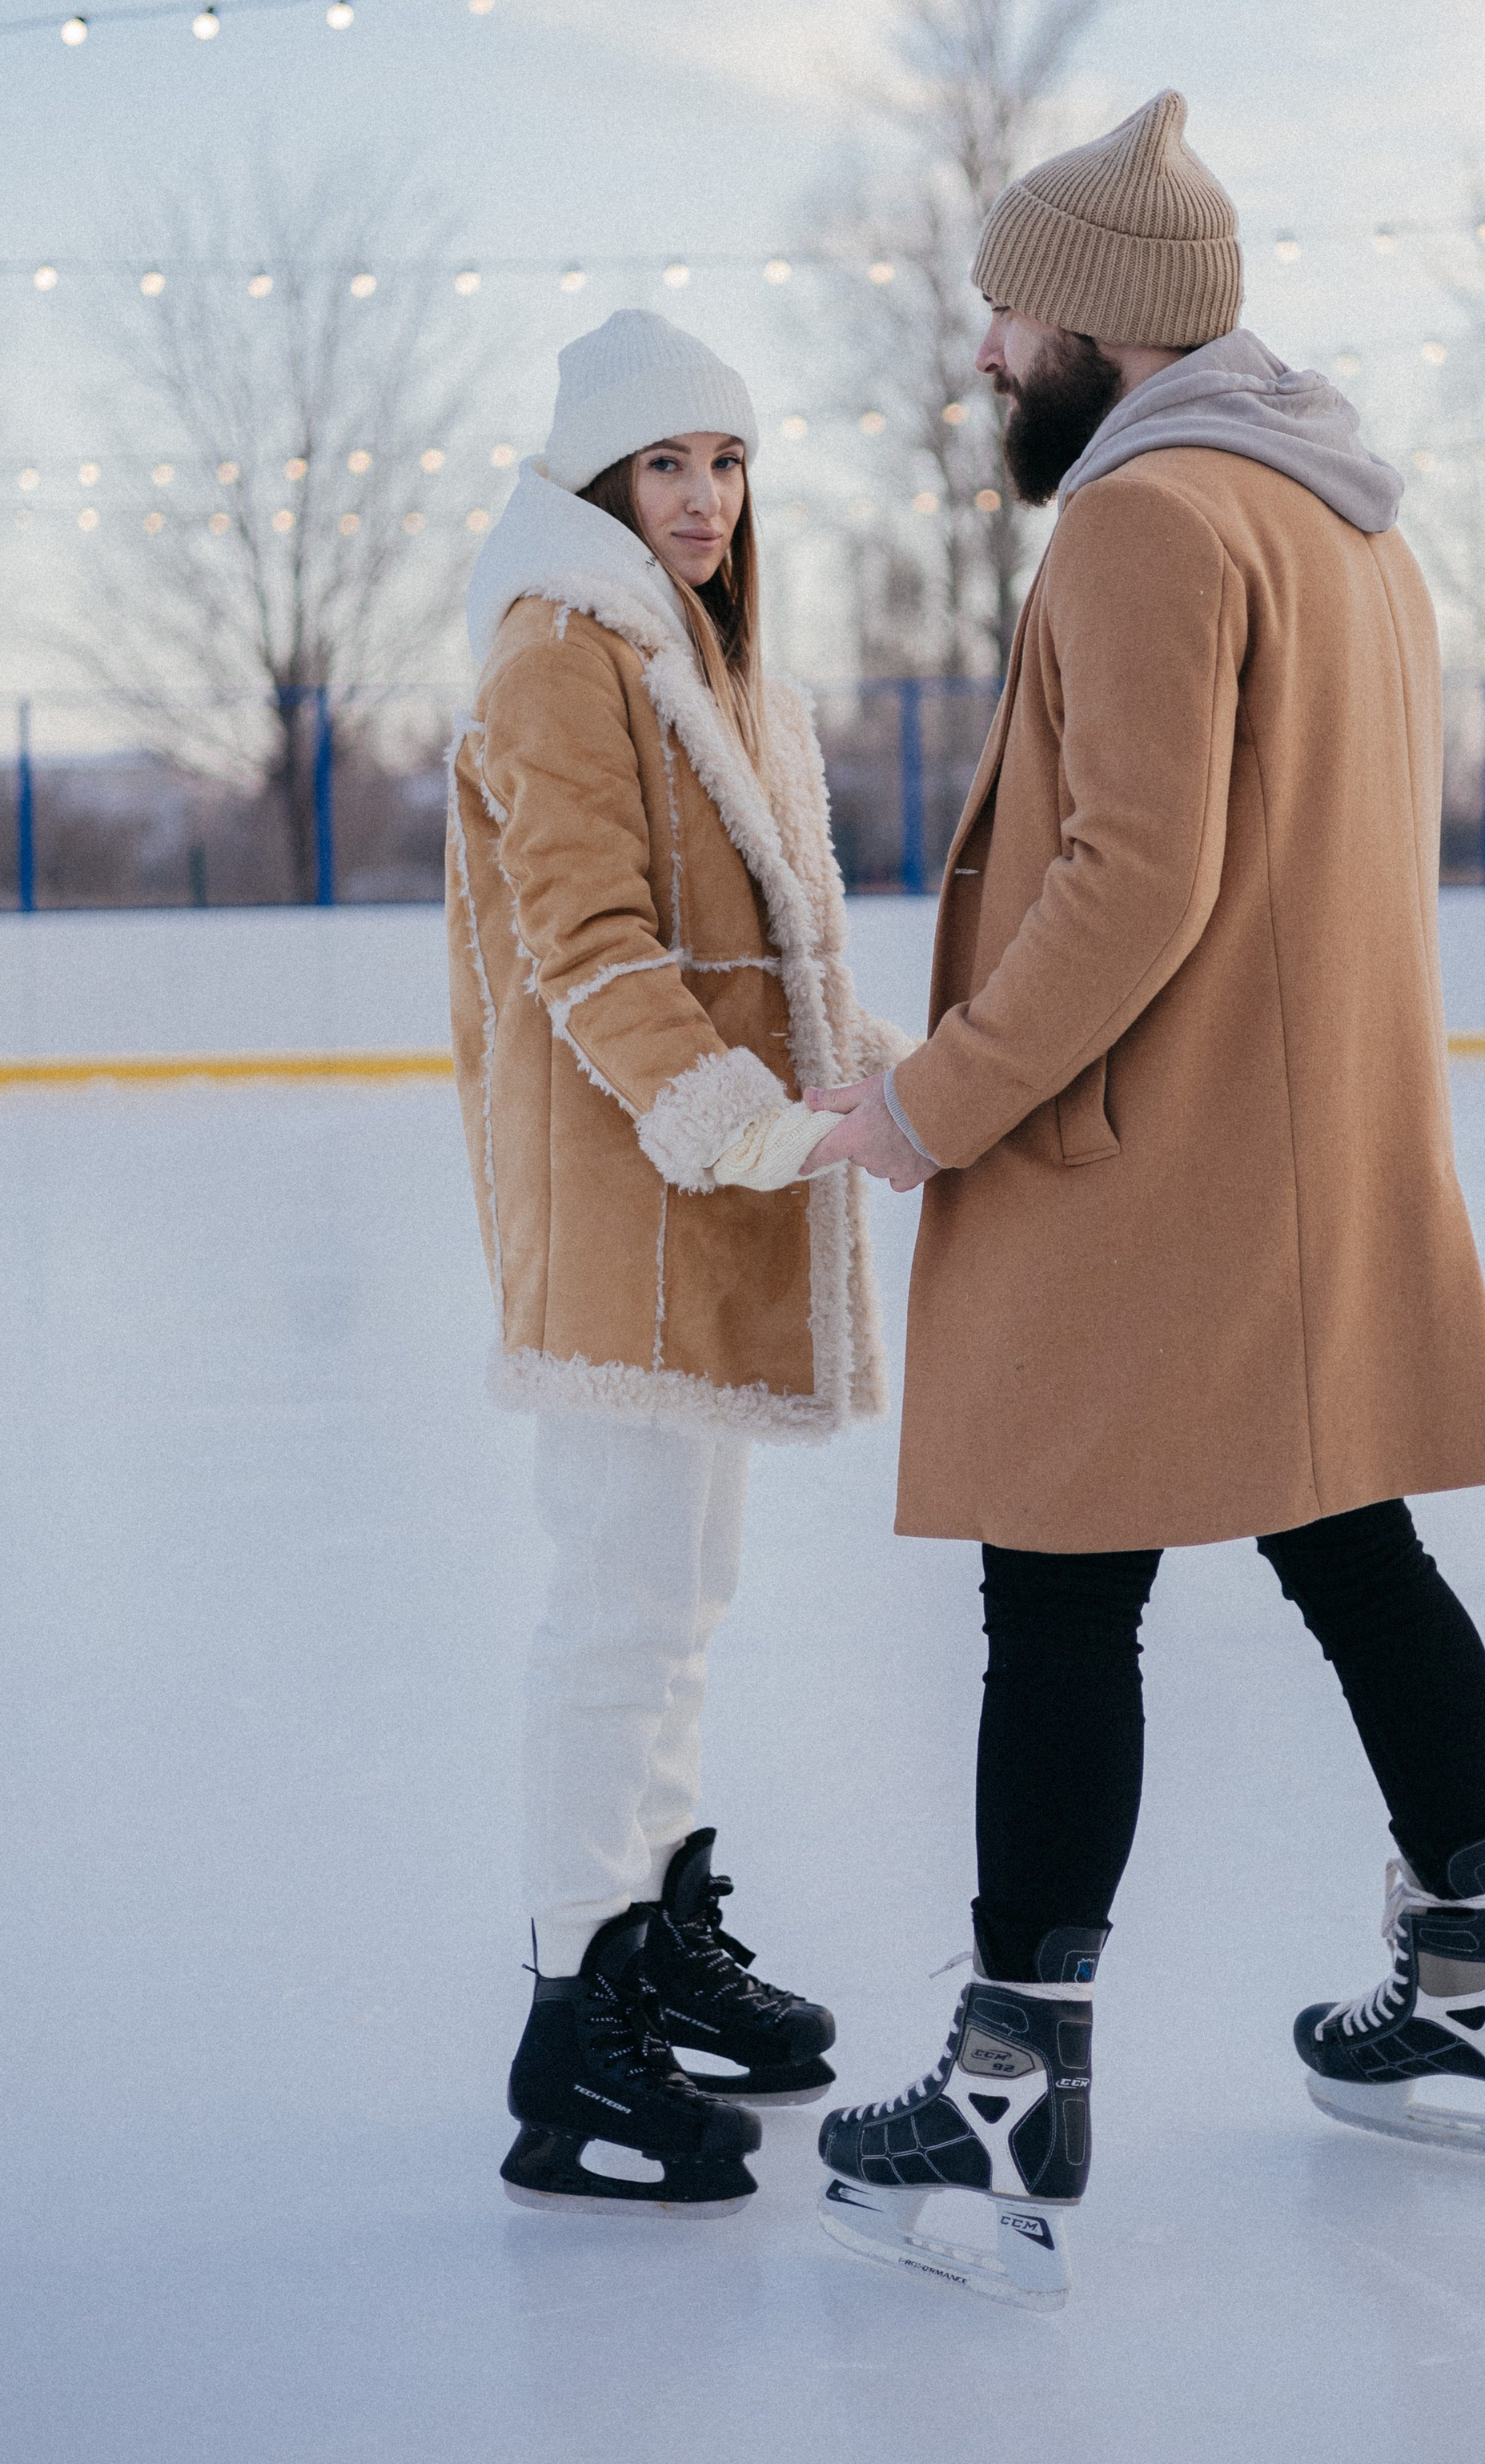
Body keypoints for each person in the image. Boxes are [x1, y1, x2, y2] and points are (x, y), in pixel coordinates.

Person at [804, 93, 1485, 2312]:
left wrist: (932, 1105)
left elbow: (1131, 878)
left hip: (1146, 1169)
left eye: (1008, 310)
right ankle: (1473, 1979)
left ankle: (1001, 2102)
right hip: (1308, 1161)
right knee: (1355, 1552)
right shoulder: (1341, 518)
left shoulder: (1146, 518)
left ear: (1106, 323)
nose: (984, 349)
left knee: (1059, 1602)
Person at [447, 307, 908, 2217]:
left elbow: (781, 958)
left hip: (696, 1214)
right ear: (599, 481)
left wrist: (887, 1083)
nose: (705, 496)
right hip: (625, 1205)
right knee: (617, 1609)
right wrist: (727, 1120)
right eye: (666, 464)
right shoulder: (562, 654)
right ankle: (573, 2024)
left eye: (724, 462)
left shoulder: (716, 667)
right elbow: (591, 944)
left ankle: (651, 1934)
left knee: (679, 1600)